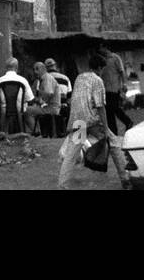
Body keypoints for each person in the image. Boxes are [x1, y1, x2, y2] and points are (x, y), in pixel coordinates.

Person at [57, 53, 131, 190]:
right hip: (92, 120)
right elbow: (100, 106)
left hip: (78, 120)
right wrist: (107, 127)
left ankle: (62, 186)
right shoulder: (97, 80)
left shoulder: (79, 78)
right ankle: (125, 178)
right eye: (102, 69)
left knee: (71, 154)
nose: (102, 71)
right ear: (99, 68)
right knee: (113, 143)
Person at [0, 57, 35, 132]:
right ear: (17, 67)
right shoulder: (23, 80)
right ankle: (25, 131)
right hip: (19, 110)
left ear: (6, 68)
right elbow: (30, 98)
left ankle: (1, 132)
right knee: (26, 110)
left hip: (3, 110)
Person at [98, 44, 131, 134]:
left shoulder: (115, 58)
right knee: (109, 111)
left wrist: (124, 83)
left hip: (114, 88)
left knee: (114, 108)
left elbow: (121, 71)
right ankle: (113, 131)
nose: (100, 50)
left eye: (101, 48)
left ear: (106, 48)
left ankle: (127, 121)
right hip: (105, 89)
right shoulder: (103, 59)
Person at [27, 61, 61, 135]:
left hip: (52, 108)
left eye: (37, 69)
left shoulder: (47, 78)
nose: (35, 72)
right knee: (31, 108)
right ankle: (38, 130)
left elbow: (48, 93)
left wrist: (41, 100)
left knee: (27, 110)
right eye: (34, 69)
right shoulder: (40, 80)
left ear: (43, 69)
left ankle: (37, 132)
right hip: (49, 106)